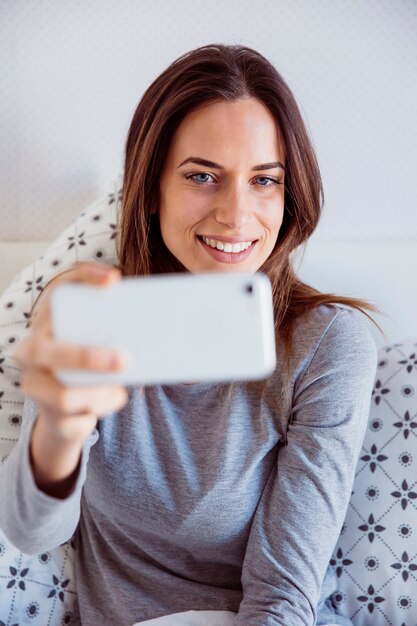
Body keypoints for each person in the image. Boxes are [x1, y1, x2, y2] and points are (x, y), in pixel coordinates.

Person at [0, 44, 378, 626]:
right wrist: (60, 427)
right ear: (151, 189)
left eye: (264, 180)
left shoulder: (327, 346)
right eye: (203, 176)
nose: (236, 214)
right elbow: (31, 532)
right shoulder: (91, 312)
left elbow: (283, 595)